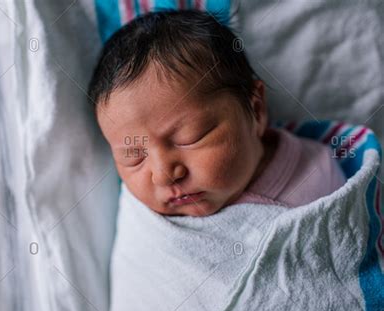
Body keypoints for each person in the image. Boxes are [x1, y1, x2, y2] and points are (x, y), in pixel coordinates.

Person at [88, 10, 346, 217]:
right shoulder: (143, 223)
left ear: (255, 111)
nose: (163, 173)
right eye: (132, 156)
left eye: (191, 137)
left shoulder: (317, 175)